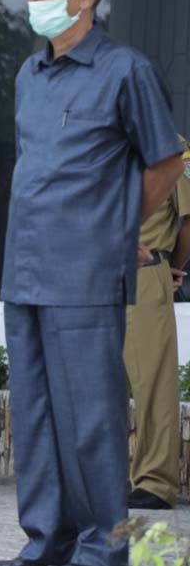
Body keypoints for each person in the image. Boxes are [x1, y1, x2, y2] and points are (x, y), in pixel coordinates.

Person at [0, 0, 183, 566]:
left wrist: (114, 228)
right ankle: (47, 543)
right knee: (37, 420)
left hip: (87, 273)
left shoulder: (126, 70)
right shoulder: (30, 73)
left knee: (92, 425)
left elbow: (166, 162)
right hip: (26, 271)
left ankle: (111, 551)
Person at [122, 135, 190, 511]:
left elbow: (188, 221)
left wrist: (167, 264)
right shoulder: (105, 136)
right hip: (98, 268)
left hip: (145, 271)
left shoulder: (168, 144)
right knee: (101, 382)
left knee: (152, 380)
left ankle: (154, 481)